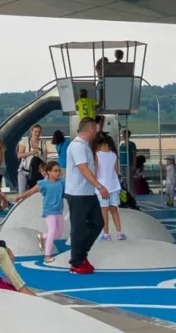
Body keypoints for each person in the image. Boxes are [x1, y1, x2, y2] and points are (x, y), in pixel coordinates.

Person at [64, 118, 108, 275]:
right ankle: (76, 261)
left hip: (87, 192)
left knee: (98, 222)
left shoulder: (85, 146)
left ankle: (82, 254)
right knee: (78, 227)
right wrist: (99, 186)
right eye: (95, 129)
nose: (97, 132)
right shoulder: (77, 146)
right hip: (77, 193)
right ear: (90, 129)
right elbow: (83, 168)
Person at [14, 160, 65, 263]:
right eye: (55, 171)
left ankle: (42, 236)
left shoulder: (61, 182)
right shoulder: (43, 183)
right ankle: (47, 256)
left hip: (59, 211)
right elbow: (31, 191)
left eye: (58, 171)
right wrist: (20, 197)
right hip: (49, 211)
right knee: (52, 231)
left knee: (58, 234)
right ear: (48, 172)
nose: (57, 173)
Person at [93, 133, 124, 241]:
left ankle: (106, 234)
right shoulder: (113, 155)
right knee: (114, 209)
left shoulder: (96, 155)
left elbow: (95, 172)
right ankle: (119, 232)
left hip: (101, 187)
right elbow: (116, 171)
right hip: (114, 186)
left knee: (104, 211)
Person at [17, 124, 43, 195]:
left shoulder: (42, 143)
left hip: (36, 173)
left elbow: (44, 159)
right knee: (22, 192)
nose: (37, 134)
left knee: (34, 192)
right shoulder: (25, 140)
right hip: (24, 171)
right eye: (35, 131)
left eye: (39, 132)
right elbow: (19, 155)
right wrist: (30, 153)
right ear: (31, 131)